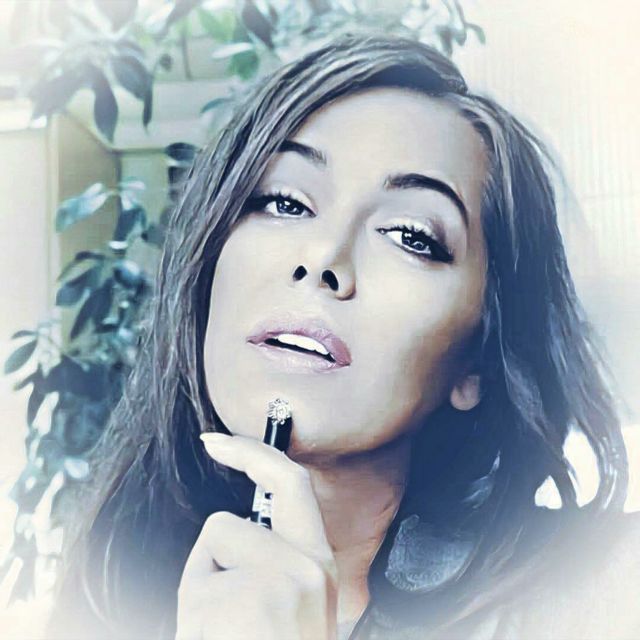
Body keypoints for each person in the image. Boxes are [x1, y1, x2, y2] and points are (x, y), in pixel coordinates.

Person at [46, 32, 638, 640]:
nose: (324, 257)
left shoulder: (613, 589)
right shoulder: (105, 593)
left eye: (411, 236)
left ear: (478, 362)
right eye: (284, 202)